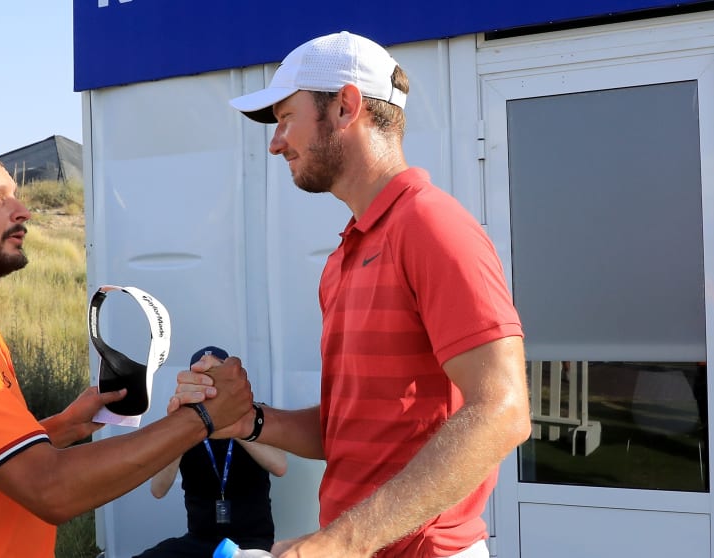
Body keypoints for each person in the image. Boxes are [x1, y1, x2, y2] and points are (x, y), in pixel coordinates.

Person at [178, 31, 531, 557]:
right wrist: (251, 421)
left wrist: (340, 542)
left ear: (345, 106)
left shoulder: (431, 225)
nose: (275, 142)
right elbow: (352, 428)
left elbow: (502, 410)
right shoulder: (346, 254)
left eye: (286, 118)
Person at [0, 143, 254, 558]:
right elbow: (50, 490)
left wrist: (62, 428)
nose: (23, 212)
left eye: (15, 196)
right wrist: (203, 418)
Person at [135, 348, 288, 558]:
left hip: (251, 540)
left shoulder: (253, 413)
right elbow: (158, 489)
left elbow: (280, 466)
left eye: (214, 379)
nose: (209, 389)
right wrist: (179, 430)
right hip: (200, 540)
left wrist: (233, 422)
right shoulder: (184, 422)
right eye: (200, 381)